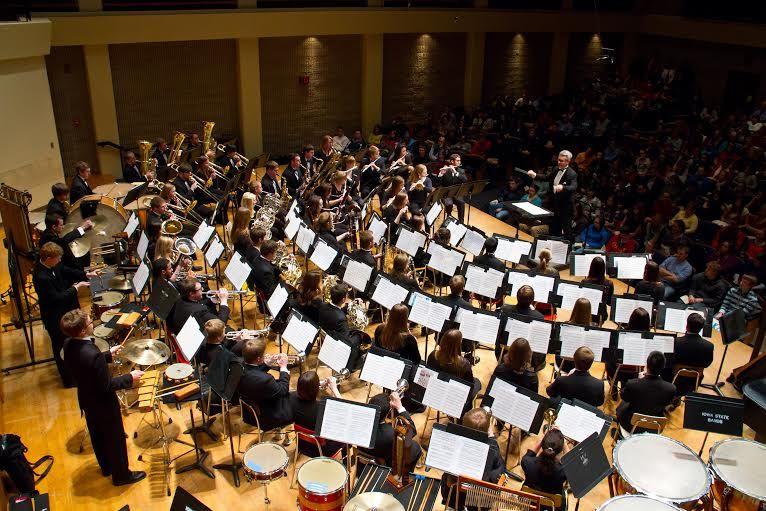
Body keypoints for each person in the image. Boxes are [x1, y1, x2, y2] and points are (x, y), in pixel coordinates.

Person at [61, 309, 146, 486]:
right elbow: (107, 386)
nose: (93, 322)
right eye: (90, 322)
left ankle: (107, 467)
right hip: (103, 402)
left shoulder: (68, 344)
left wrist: (107, 355)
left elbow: (85, 364)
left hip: (86, 398)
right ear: (83, 331)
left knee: (98, 435)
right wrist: (130, 377)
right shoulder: (92, 355)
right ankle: (122, 475)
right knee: (115, 438)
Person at [33, 242, 91, 387]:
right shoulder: (41, 277)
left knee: (70, 344)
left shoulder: (53, 265)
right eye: (57, 258)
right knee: (60, 347)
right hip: (54, 317)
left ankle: (76, 372)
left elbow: (65, 270)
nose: (59, 261)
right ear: (48, 258)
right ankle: (68, 380)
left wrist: (85, 274)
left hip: (63, 310)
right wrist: (76, 288)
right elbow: (56, 298)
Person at [440, 408, 504, 509]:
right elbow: (497, 476)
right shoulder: (493, 449)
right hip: (479, 501)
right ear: (488, 429)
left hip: (453, 495)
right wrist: (491, 438)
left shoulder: (455, 443)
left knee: (446, 477)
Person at [237, 339, 293, 436]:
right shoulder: (265, 380)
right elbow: (283, 390)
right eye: (263, 355)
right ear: (258, 359)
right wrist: (284, 369)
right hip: (267, 415)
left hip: (248, 411)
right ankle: (281, 429)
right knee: (296, 400)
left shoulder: (238, 365)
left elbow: (252, 370)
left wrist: (267, 364)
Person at [616, 351, 676, 433]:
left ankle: (618, 434)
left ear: (647, 365)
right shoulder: (671, 388)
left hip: (630, 425)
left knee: (622, 405)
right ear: (663, 367)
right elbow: (666, 403)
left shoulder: (632, 384)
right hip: (654, 427)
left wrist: (639, 380)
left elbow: (624, 397)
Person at [360, 392, 421, 471]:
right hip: (385, 463)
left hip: (364, 459)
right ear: (388, 412)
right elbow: (412, 432)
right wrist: (400, 407)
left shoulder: (359, 422)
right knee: (415, 447)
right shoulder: (391, 435)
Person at [289, 371, 345, 457]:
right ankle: (347, 464)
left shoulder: (291, 397)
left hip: (302, 444)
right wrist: (334, 389)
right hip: (322, 450)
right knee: (346, 436)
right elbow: (344, 410)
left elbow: (303, 387)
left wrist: (319, 383)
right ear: (316, 390)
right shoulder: (323, 409)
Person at [426, 329, 479, 415]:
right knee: (477, 383)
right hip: (453, 397)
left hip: (435, 393)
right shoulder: (464, 364)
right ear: (458, 344)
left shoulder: (432, 355)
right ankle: (461, 415)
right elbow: (469, 386)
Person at [527, 150, 578, 239]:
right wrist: (535, 175)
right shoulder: (555, 169)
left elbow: (573, 187)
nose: (559, 162)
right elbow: (547, 177)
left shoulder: (572, 174)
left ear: (567, 161)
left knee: (567, 232)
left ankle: (568, 251)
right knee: (554, 230)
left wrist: (563, 187)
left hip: (565, 208)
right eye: (558, 160)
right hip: (554, 205)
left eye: (561, 161)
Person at [319, 283, 368, 365]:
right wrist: (362, 309)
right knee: (359, 335)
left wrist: (351, 304)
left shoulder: (322, 306)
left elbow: (335, 310)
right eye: (347, 296)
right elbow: (346, 342)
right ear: (343, 299)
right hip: (337, 347)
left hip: (326, 338)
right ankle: (354, 363)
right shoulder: (341, 319)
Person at [671, 313, 714, 397]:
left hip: (675, 378)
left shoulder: (676, 342)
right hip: (694, 381)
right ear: (701, 328)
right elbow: (707, 364)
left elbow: (670, 361)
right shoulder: (709, 346)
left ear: (687, 326)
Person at [520, 428, 568, 495]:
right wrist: (564, 444)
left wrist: (544, 438)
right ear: (560, 450)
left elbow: (530, 454)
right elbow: (572, 466)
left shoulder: (527, 462)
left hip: (528, 501)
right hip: (552, 505)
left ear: (542, 444)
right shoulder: (562, 472)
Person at [439, 154, 468, 222]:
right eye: (457, 161)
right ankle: (448, 218)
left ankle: (461, 222)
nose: (459, 162)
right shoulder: (446, 169)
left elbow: (465, 180)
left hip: (456, 193)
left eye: (460, 161)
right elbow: (439, 183)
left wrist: (455, 172)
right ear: (452, 161)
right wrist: (441, 174)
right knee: (449, 204)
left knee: (461, 203)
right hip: (446, 194)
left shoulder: (461, 171)